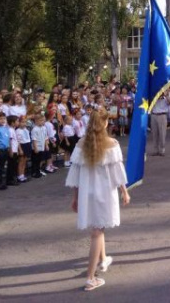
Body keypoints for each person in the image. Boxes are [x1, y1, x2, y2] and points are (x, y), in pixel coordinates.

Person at [65, 109, 130, 292]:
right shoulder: (112, 144)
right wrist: (125, 192)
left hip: (87, 193)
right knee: (97, 231)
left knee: (99, 226)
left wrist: (76, 198)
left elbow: (76, 175)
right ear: (106, 123)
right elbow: (118, 173)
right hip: (104, 193)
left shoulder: (80, 144)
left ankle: (103, 259)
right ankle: (90, 277)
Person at [17, 117, 31, 182]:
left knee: (24, 161)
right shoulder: (18, 131)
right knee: (21, 161)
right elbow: (18, 142)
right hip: (22, 146)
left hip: (27, 144)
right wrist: (20, 150)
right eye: (22, 122)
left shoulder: (26, 129)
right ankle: (20, 176)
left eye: (25, 122)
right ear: (19, 123)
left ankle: (23, 174)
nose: (24, 124)